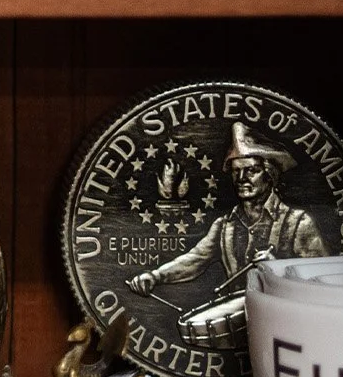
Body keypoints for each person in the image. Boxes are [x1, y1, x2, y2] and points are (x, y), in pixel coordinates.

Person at [126, 122, 328, 295]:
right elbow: (194, 260)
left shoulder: (299, 223)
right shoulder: (225, 225)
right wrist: (154, 277)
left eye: (251, 171)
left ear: (270, 175)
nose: (241, 179)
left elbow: (323, 282)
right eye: (236, 171)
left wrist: (277, 267)